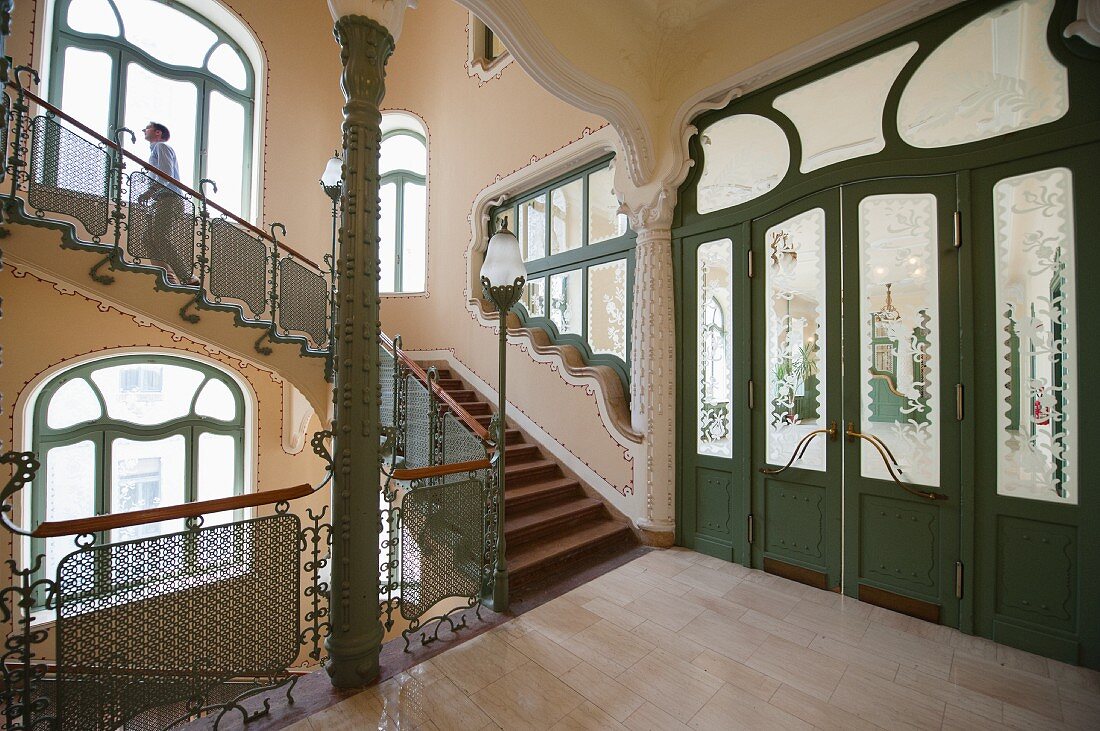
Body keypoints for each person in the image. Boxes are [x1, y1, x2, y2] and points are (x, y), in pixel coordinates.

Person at [137, 122, 197, 286]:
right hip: (161, 199)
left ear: (158, 132)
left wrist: (150, 192)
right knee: (147, 238)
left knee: (158, 236)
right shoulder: (155, 151)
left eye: (147, 127)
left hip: (169, 197)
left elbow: (165, 173)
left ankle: (187, 276)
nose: (144, 130)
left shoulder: (161, 146)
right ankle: (167, 276)